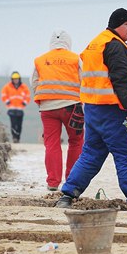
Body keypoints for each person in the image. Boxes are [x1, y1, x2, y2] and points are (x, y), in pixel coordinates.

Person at [56, 8, 127, 211]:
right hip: (113, 111)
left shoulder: (96, 43)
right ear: (116, 24)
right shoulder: (115, 46)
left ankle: (67, 195)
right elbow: (121, 79)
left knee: (90, 155)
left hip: (93, 109)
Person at [31, 30, 84, 192]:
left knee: (52, 144)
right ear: (68, 43)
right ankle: (72, 181)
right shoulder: (76, 59)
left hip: (47, 108)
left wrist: (43, 100)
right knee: (76, 142)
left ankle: (53, 182)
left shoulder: (40, 60)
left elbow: (34, 83)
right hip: (72, 107)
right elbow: (85, 80)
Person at [1, 71, 31, 143]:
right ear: (12, 79)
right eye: (14, 79)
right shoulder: (7, 87)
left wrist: (25, 103)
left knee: (19, 125)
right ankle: (14, 138)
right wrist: (7, 101)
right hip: (11, 109)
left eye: (17, 79)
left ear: (19, 79)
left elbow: (28, 96)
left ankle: (18, 138)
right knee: (13, 124)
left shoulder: (24, 87)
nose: (15, 80)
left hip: (20, 109)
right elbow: (3, 95)